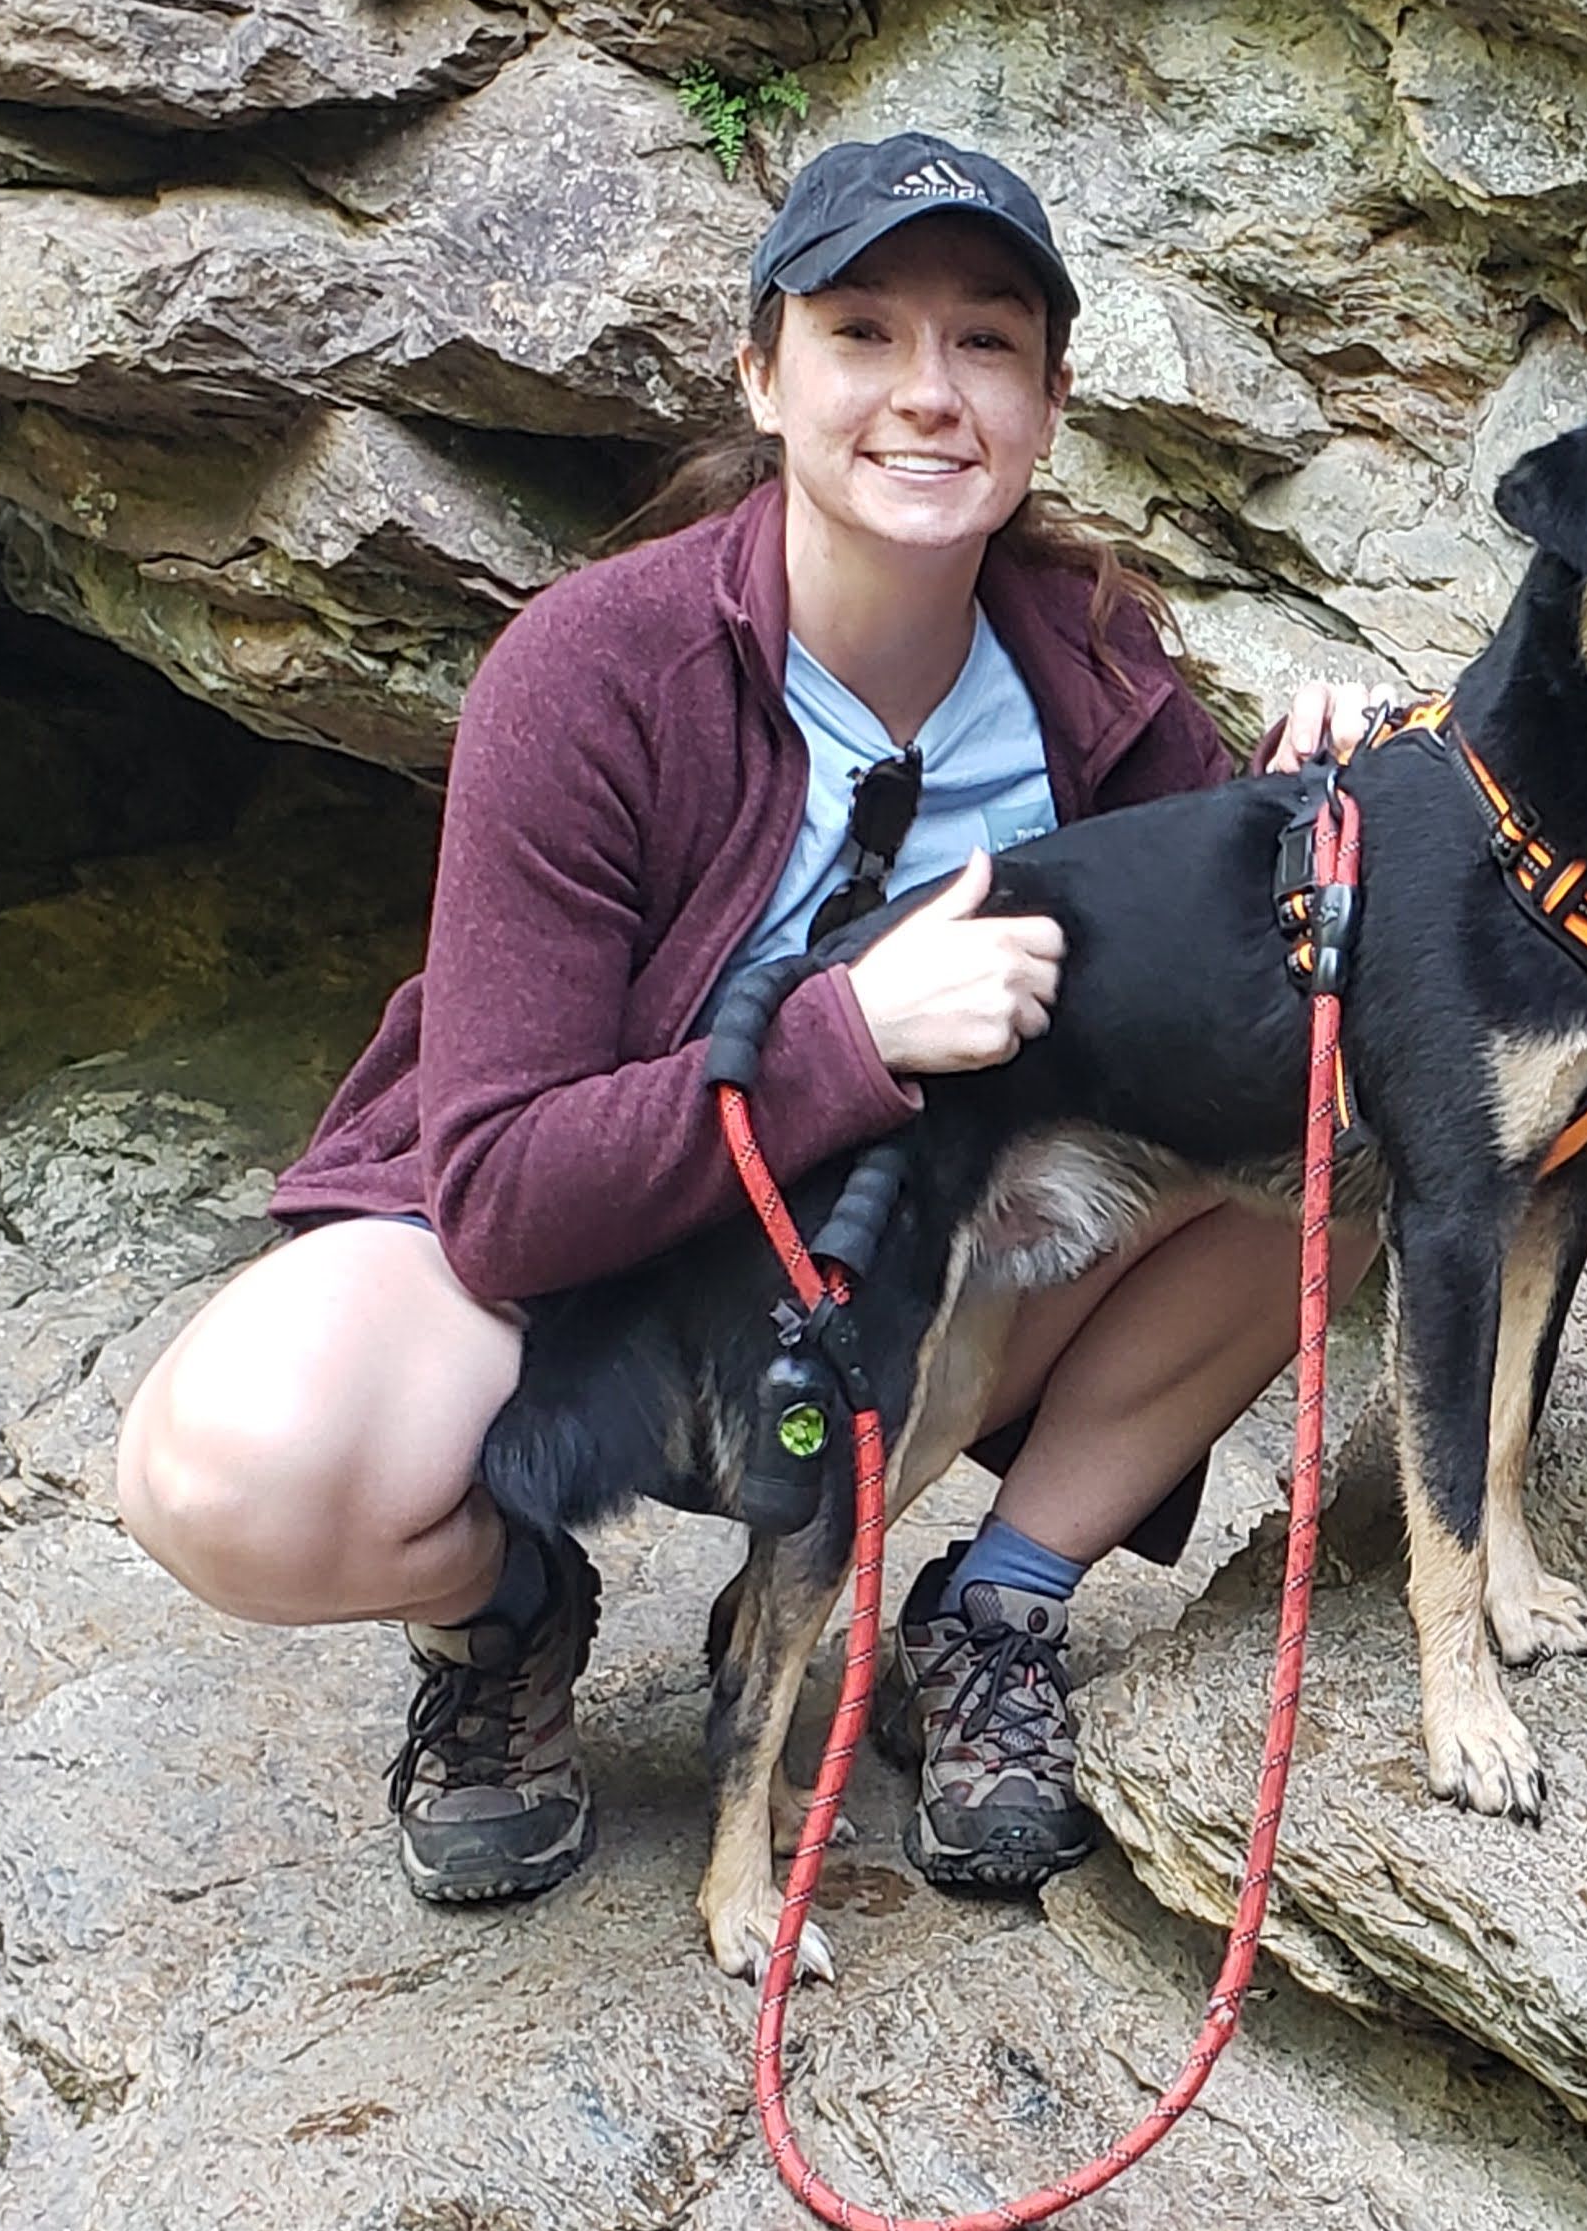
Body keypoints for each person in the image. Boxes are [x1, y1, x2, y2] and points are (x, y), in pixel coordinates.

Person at [116, 133, 1384, 1913]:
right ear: (762, 373)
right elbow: (495, 1184)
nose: (927, 396)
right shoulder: (590, 666)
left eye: (988, 344)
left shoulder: (1096, 667)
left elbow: (1196, 981)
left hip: (889, 1273)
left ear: (1050, 401)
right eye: (863, 332)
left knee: (1340, 1119)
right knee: (224, 1474)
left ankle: (994, 1611)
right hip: (568, 1273)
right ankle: (505, 1621)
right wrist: (852, 1036)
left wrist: (1299, 819)